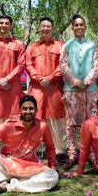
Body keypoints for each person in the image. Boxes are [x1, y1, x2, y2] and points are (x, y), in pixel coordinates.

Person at [60, 14, 98, 169]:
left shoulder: (92, 46)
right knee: (71, 124)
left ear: (85, 27)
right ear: (72, 27)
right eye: (76, 25)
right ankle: (72, 155)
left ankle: (91, 154)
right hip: (71, 90)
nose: (79, 27)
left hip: (89, 90)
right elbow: (63, 66)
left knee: (90, 122)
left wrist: (86, 82)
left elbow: (97, 67)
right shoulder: (66, 46)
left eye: (81, 25)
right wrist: (75, 82)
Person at [26, 17, 66, 162]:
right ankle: (34, 149)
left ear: (52, 28)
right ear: (39, 28)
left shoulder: (60, 46)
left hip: (54, 88)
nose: (45, 29)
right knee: (35, 118)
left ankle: (59, 150)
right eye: (43, 26)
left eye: (48, 26)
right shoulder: (32, 47)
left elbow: (63, 65)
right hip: (37, 88)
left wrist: (50, 78)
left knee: (56, 118)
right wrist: (38, 77)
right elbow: (28, 65)